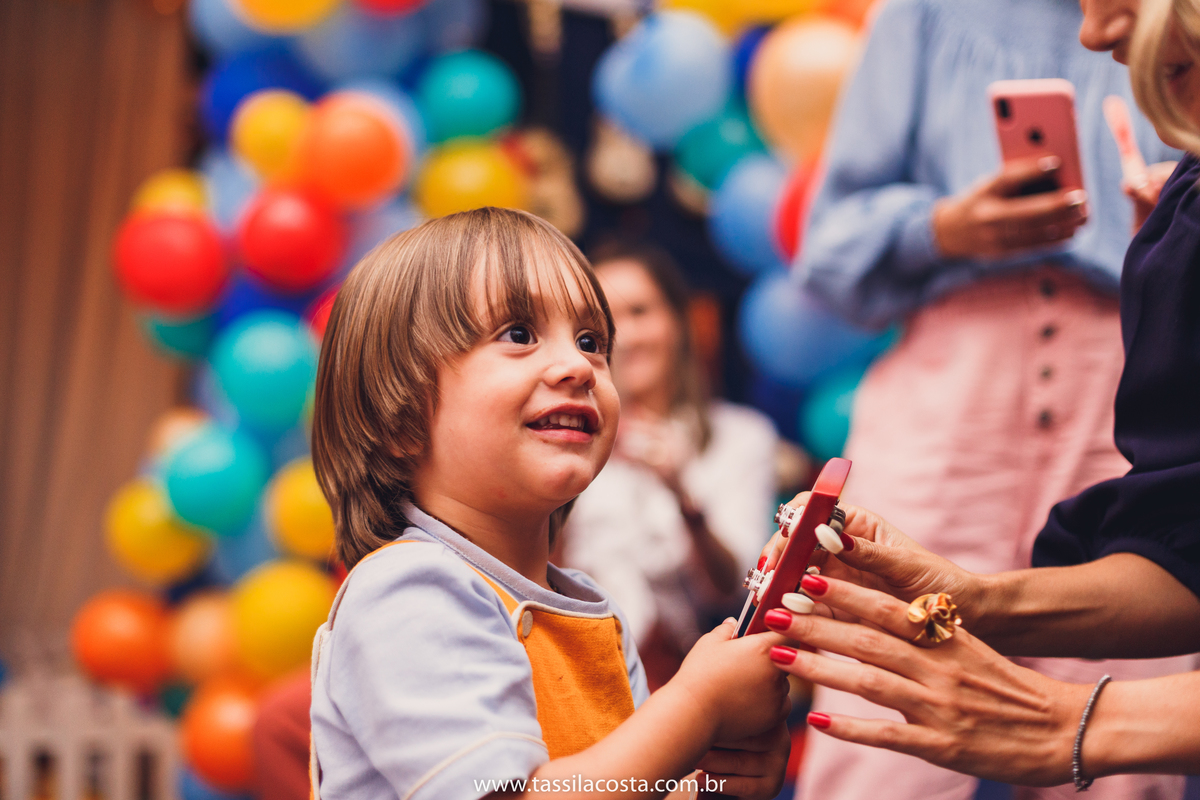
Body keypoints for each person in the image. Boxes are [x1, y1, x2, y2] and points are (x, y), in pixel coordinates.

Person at [758, 0, 1200, 786]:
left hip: (1135, 383)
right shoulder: (924, 12)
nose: (1097, 38)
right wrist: (942, 228)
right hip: (954, 389)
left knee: (1131, 753)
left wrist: (1169, 251)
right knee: (881, 719)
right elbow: (827, 249)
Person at [306, 207, 791, 800]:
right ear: (401, 415)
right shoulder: (409, 589)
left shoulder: (594, 613)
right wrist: (698, 704)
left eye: (591, 341)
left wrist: (711, 786)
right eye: (518, 335)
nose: (577, 367)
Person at [561, 243, 779, 689]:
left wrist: (681, 495)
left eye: (640, 311)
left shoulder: (741, 436)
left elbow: (735, 588)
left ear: (678, 321)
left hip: (693, 678)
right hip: (584, 671)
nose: (626, 337)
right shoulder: (564, 440)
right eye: (603, 325)